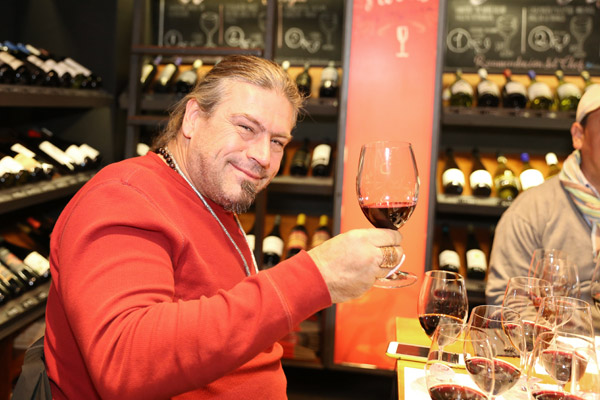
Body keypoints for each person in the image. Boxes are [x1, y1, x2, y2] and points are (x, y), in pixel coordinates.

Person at [42, 55, 404, 399]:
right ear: (193, 118)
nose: (263, 156)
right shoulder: (124, 196)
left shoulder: (210, 197)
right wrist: (315, 276)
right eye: (246, 128)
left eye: (277, 142)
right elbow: (126, 363)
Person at [486, 85, 600, 333]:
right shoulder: (530, 212)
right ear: (578, 135)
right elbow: (506, 301)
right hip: (554, 352)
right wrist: (567, 343)